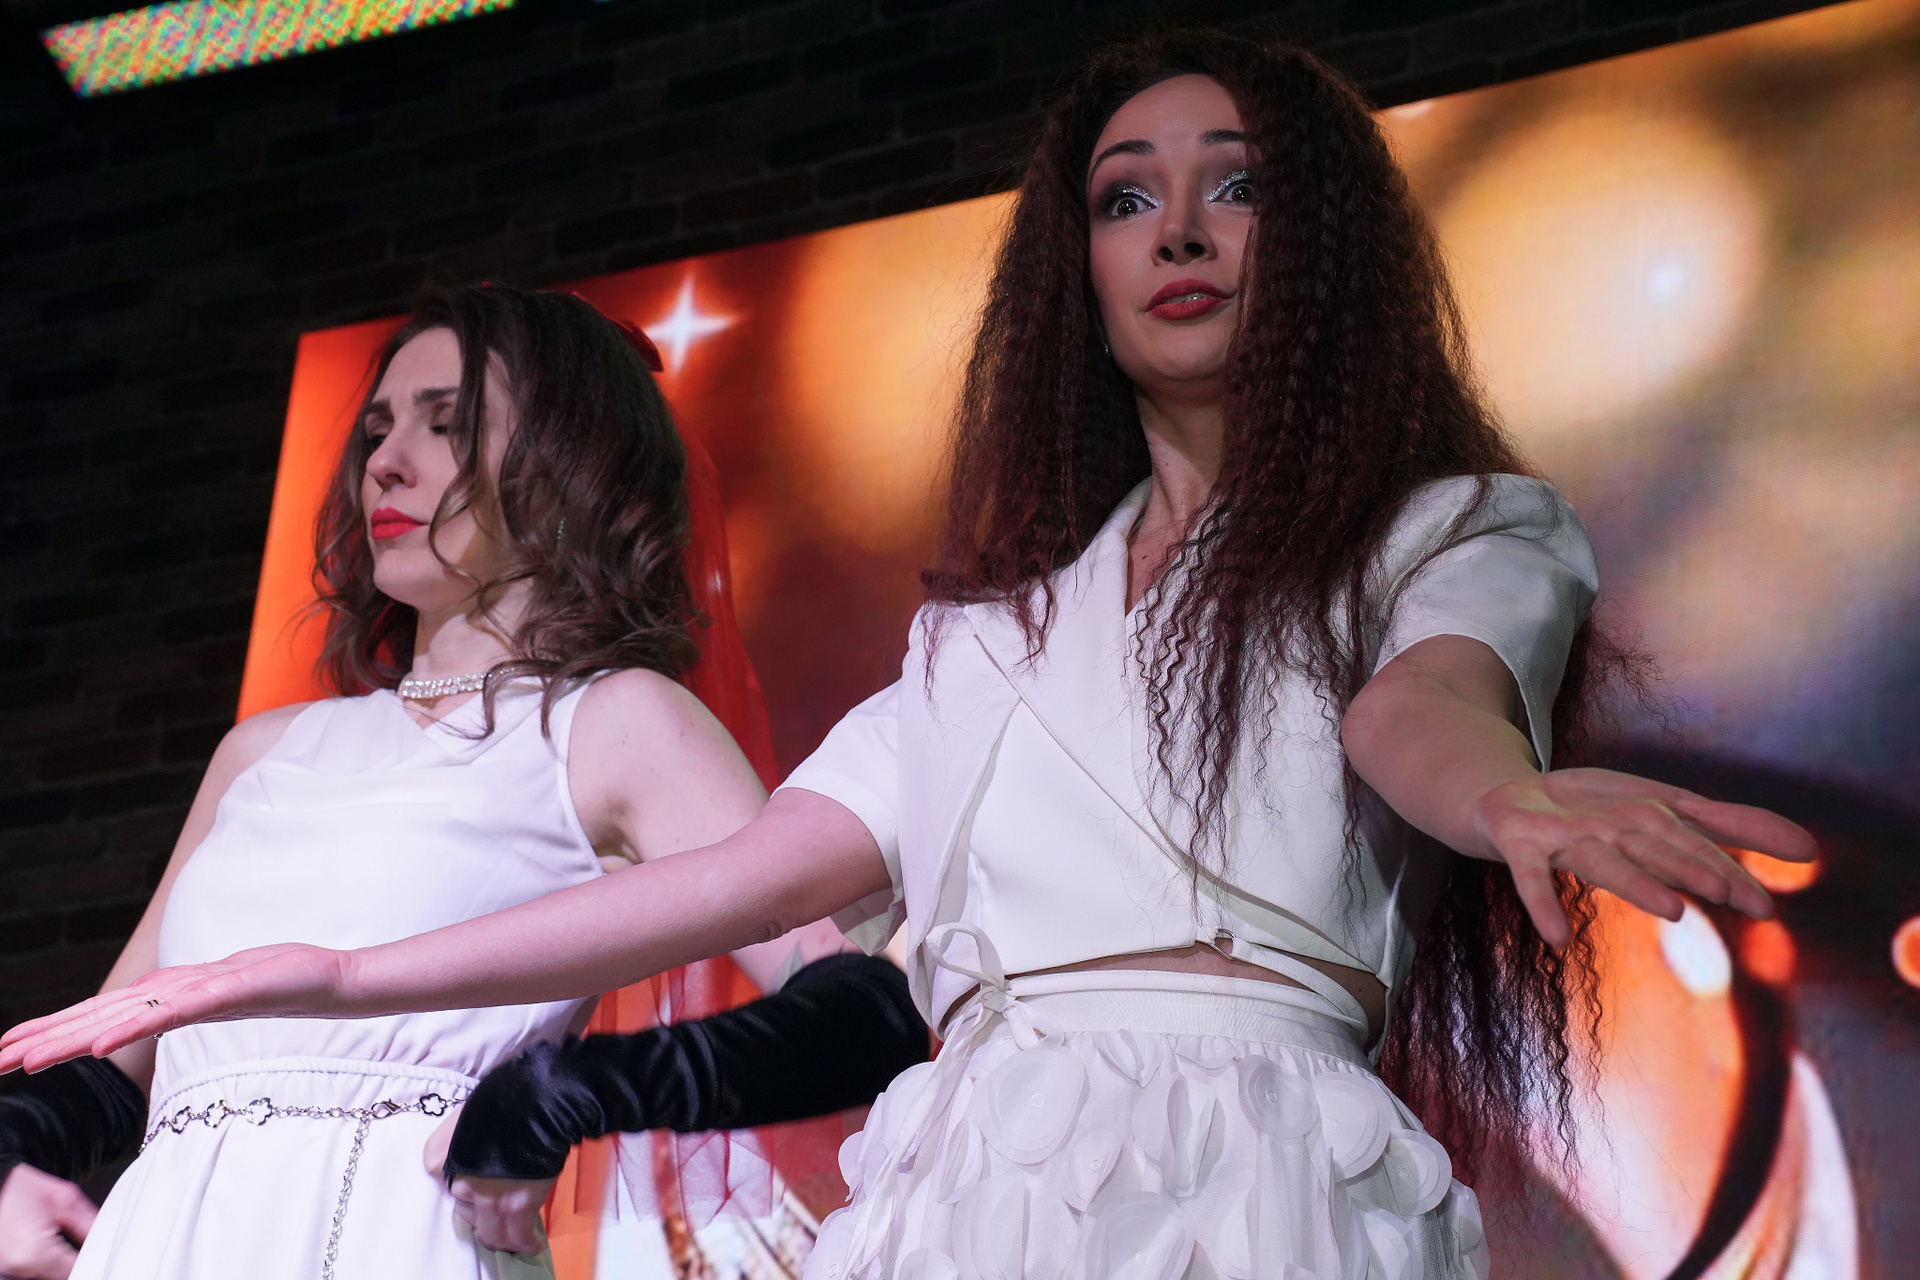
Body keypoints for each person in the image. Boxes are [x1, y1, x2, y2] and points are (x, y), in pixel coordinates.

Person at [1, 33, 1817, 1280]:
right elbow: (728, 887)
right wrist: (330, 972)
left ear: (1322, 235)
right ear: (1075, 269)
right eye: (1125, 198)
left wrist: (1510, 801)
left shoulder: (1453, 530)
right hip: (976, 1171)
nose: (1179, 232)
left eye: (1236, 186)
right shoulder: (979, 645)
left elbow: (1422, 705)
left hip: (1255, 1148)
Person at [0, 282, 923, 1280]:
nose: (384, 461)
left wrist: (573, 1086)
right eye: (377, 429)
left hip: (406, 1240)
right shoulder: (262, 752)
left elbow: (863, 1008)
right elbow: (106, 1058)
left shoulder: (612, 725)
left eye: (446, 424)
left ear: (568, 463)